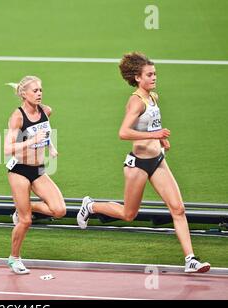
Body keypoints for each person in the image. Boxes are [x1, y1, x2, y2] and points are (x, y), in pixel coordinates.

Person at [77, 52, 210, 273]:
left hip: (157, 162)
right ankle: (90, 206)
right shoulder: (136, 102)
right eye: (149, 74)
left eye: (155, 73)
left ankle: (190, 259)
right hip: (137, 165)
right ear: (138, 78)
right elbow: (123, 132)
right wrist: (155, 136)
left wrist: (161, 139)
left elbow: (150, 127)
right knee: (129, 215)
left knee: (178, 208)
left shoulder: (153, 97)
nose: (154, 77)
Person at [4, 76, 66, 274]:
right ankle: (14, 258)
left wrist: (51, 146)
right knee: (26, 221)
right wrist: (31, 142)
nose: (39, 93)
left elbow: (43, 131)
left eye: (41, 90)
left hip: (38, 169)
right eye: (35, 91)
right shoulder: (18, 117)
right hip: (19, 170)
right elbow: (7, 148)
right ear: (24, 94)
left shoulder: (46, 111)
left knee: (59, 210)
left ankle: (23, 208)